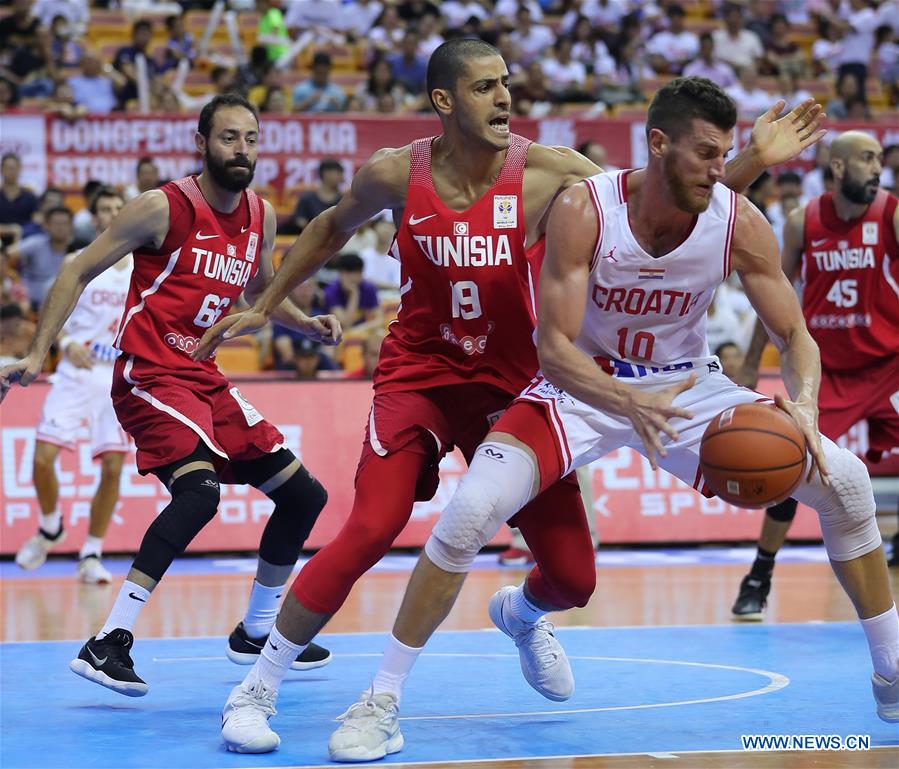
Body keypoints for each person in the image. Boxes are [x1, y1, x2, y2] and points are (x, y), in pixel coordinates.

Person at [191, 42, 826, 755]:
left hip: (518, 383)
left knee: (574, 576)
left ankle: (523, 614)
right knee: (371, 526)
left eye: (506, 85)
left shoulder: (552, 172)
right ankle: (256, 687)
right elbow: (329, 226)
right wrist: (265, 302)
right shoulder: (396, 173)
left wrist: (753, 161)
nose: (504, 98)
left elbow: (669, 200)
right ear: (443, 101)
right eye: (485, 86)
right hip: (419, 377)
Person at [317, 77, 898, 759]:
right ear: (656, 145)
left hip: (684, 389)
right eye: (707, 155)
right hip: (580, 388)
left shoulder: (737, 219)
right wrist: (624, 401)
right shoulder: (583, 209)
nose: (722, 170)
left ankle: (889, 674)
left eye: (727, 156)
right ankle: (379, 698)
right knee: (470, 509)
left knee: (847, 481)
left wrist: (800, 408)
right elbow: (554, 348)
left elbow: (796, 337)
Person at [0, 94, 342, 697]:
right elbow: (75, 269)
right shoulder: (163, 206)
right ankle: (109, 641)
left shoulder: (260, 214)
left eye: (252, 139)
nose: (242, 149)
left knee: (304, 496)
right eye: (230, 137)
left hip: (204, 378)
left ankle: (256, 631)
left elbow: (261, 296)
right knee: (199, 492)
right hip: (148, 373)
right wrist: (37, 353)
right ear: (202, 142)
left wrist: (306, 325)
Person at [732, 131, 899, 620]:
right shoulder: (801, 222)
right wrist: (749, 358)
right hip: (828, 370)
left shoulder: (890, 213)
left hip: (888, 366)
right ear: (839, 167)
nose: (877, 168)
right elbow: (772, 294)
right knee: (791, 463)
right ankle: (759, 575)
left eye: (878, 160)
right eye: (867, 159)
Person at [14, 187, 131, 584]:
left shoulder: (145, 267)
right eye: (105, 209)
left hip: (116, 377)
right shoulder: (76, 262)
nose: (113, 213)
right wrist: (64, 344)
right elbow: (53, 316)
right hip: (76, 372)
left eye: (119, 207)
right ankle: (50, 527)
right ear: (94, 219)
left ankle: (92, 554)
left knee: (113, 466)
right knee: (42, 458)